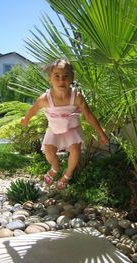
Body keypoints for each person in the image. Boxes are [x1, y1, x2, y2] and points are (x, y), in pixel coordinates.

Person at [21, 58, 108, 190]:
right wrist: (26, 119)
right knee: (48, 152)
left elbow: (89, 116)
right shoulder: (45, 99)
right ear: (49, 78)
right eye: (57, 76)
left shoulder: (77, 96)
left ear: (72, 78)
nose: (61, 80)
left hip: (72, 129)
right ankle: (55, 167)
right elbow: (32, 110)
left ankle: (67, 175)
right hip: (54, 130)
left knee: (75, 150)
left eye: (66, 76)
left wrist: (101, 133)